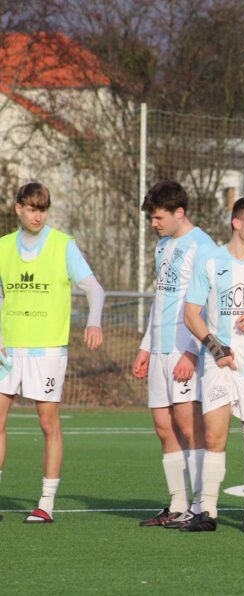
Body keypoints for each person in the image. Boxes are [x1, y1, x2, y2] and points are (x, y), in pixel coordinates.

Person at [0, 182, 104, 523]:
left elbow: (94, 289)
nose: (37, 215)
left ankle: (46, 503)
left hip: (47, 352)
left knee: (48, 424)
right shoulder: (2, 248)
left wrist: (94, 322)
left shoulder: (63, 245)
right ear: (18, 209)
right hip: (7, 350)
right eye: (31, 208)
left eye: (42, 208)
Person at [182, 196, 244, 532]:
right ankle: (207, 512)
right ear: (236, 222)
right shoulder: (209, 261)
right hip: (218, 364)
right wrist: (215, 347)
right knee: (214, 437)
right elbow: (191, 314)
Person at [133, 180, 215, 528]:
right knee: (163, 427)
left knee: (188, 425)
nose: (154, 223)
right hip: (160, 348)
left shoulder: (204, 247)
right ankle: (177, 504)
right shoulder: (163, 246)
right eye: (152, 218)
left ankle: (199, 505)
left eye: (158, 217)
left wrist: (194, 353)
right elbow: (161, 298)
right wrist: (145, 345)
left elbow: (208, 305)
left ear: (179, 213)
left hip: (185, 349)